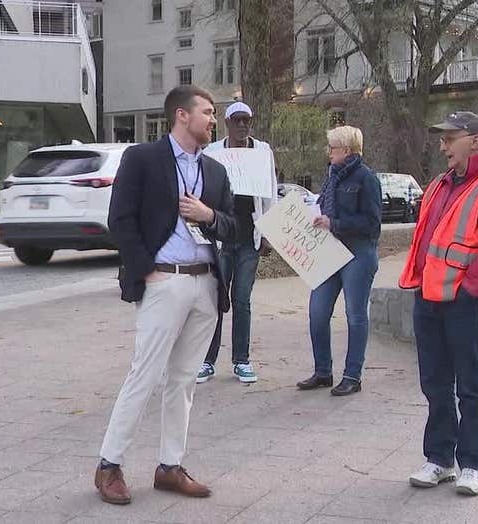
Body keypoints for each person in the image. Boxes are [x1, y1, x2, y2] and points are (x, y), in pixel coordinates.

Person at [94, 85, 237, 505]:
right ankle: (109, 465)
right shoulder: (142, 159)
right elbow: (120, 220)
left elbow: (234, 226)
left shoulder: (215, 171)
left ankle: (170, 466)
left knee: (184, 379)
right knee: (145, 374)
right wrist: (147, 271)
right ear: (181, 115)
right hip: (163, 281)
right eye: (208, 112)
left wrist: (209, 216)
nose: (214, 120)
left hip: (205, 284)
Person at [399, 111, 478, 496]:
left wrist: (468, 292)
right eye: (443, 138)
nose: (443, 145)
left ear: (476, 141)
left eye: (451, 138)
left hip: (464, 303)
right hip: (429, 298)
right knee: (435, 383)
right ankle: (439, 459)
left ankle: (472, 464)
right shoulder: (439, 184)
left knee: (469, 386)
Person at [197, 102, 279, 384]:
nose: (243, 125)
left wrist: (267, 233)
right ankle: (207, 359)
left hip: (248, 239)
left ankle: (241, 360)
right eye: (237, 120)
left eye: (247, 120)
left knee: (242, 300)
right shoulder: (213, 152)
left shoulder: (262, 151)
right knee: (215, 299)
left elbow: (270, 193)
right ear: (227, 123)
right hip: (221, 239)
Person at [297, 125, 381, 397]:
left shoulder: (366, 178)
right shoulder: (332, 177)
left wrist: (335, 223)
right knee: (318, 312)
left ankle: (352, 376)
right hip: (329, 250)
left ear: (346, 150)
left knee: (355, 315)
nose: (329, 152)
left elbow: (372, 224)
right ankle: (323, 371)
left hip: (358, 252)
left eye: (332, 148)